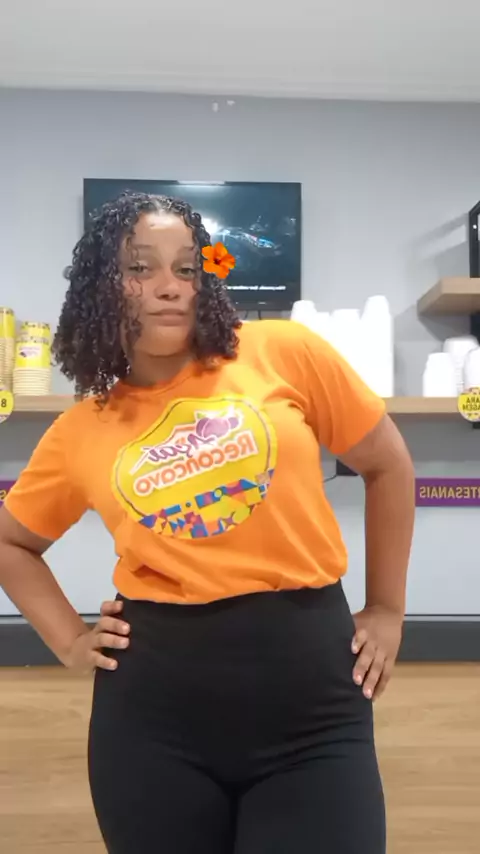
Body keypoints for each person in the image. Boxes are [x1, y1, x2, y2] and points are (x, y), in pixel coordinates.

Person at [0, 192, 415, 854]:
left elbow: (388, 465)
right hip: (152, 720)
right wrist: (71, 642)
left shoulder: (283, 351)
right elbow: (12, 541)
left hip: (311, 703)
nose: (170, 287)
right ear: (102, 285)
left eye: (187, 268)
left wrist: (388, 608)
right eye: (140, 268)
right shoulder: (83, 428)